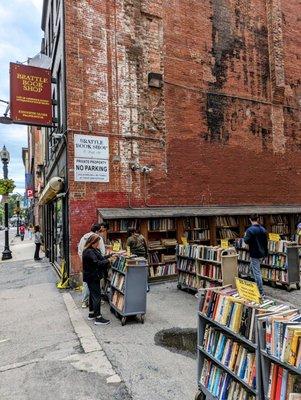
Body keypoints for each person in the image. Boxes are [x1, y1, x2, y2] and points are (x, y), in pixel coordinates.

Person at [82, 233, 114, 325]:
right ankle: (98, 318)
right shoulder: (89, 252)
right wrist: (109, 260)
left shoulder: (92, 250)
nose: (99, 244)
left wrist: (110, 256)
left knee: (93, 295)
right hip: (92, 277)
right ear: (93, 242)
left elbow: (100, 258)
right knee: (97, 296)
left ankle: (91, 314)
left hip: (91, 276)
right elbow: (97, 263)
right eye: (97, 243)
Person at [78, 223, 105, 308]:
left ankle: (84, 301)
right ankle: (96, 302)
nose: (100, 233)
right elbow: (103, 252)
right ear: (97, 231)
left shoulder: (83, 237)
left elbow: (79, 250)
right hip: (95, 265)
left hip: (85, 263)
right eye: (100, 231)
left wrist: (83, 260)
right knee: (96, 285)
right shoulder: (97, 238)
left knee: (86, 283)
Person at [243, 214, 268, 298]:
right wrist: (266, 254)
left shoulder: (250, 230)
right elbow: (266, 242)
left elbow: (246, 241)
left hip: (255, 254)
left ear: (250, 220)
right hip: (262, 253)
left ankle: (261, 292)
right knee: (252, 268)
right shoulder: (263, 229)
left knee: (257, 273)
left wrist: (245, 235)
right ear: (257, 219)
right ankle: (254, 285)